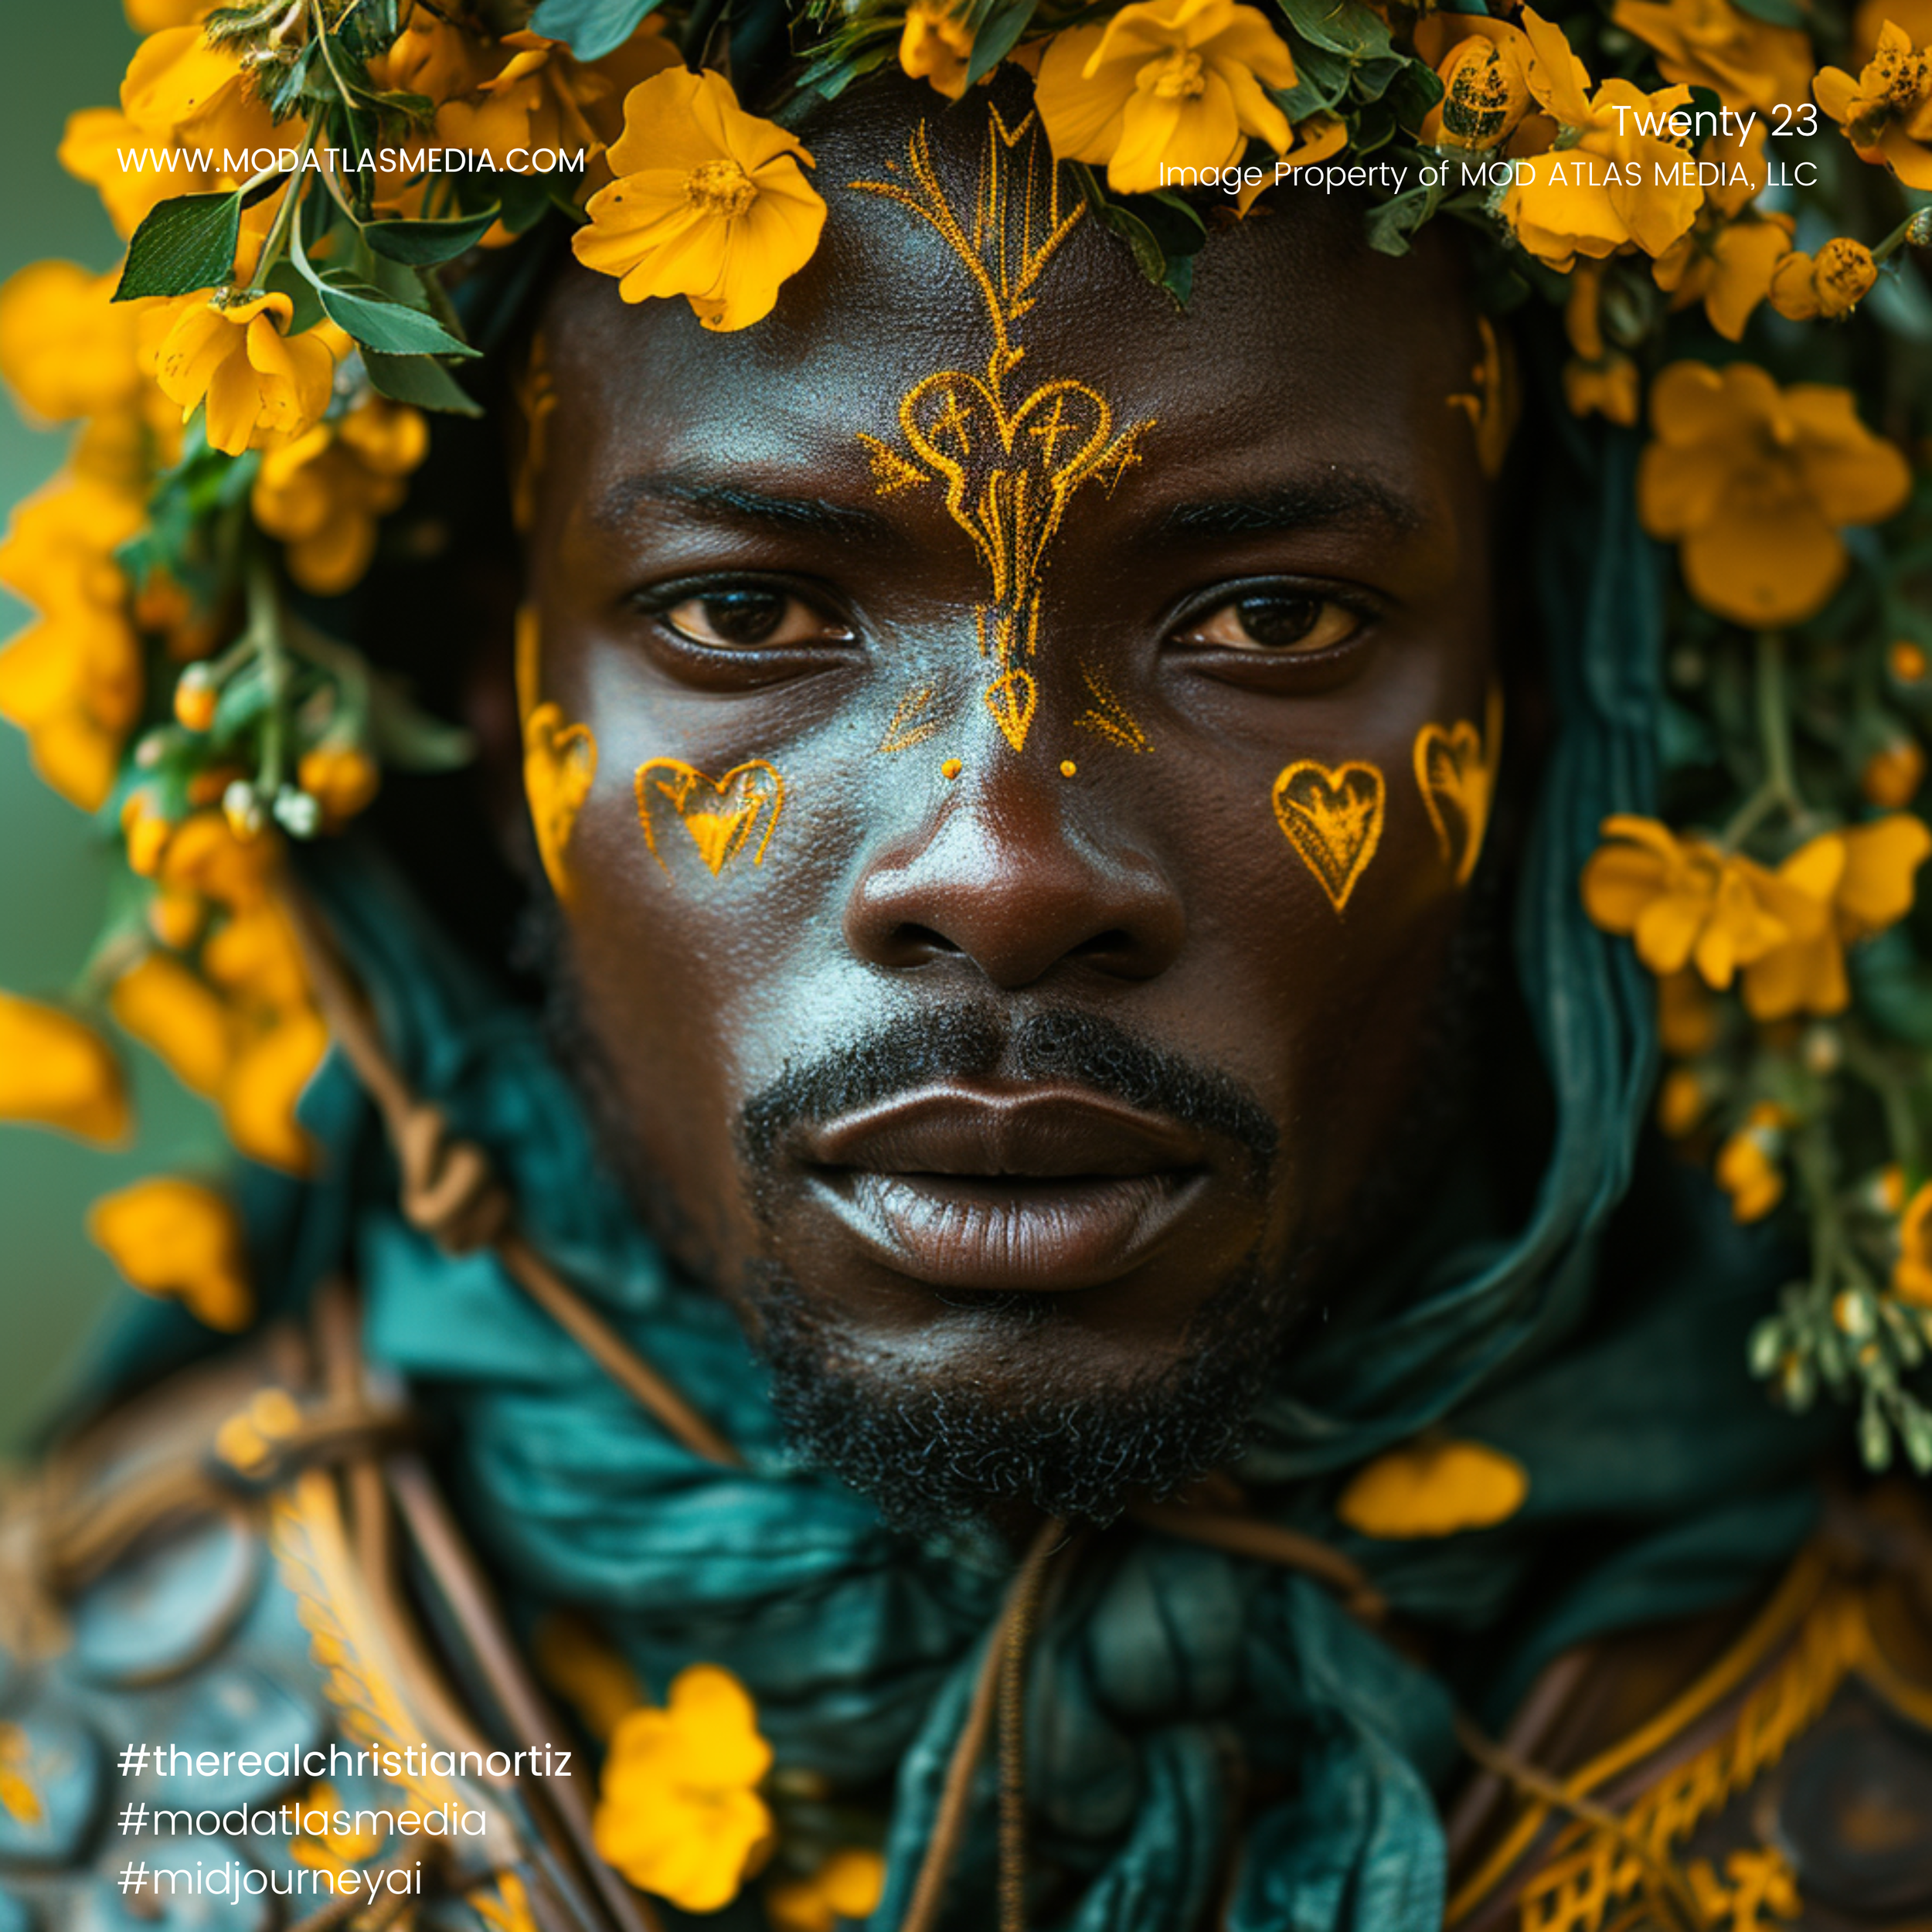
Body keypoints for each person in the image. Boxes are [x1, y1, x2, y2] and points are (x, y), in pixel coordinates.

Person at [2, 3, 1931, 1928]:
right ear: (474, 709)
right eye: (747, 611)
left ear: (1554, 695)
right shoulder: (91, 1780)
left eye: (1267, 616)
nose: (1001, 872)